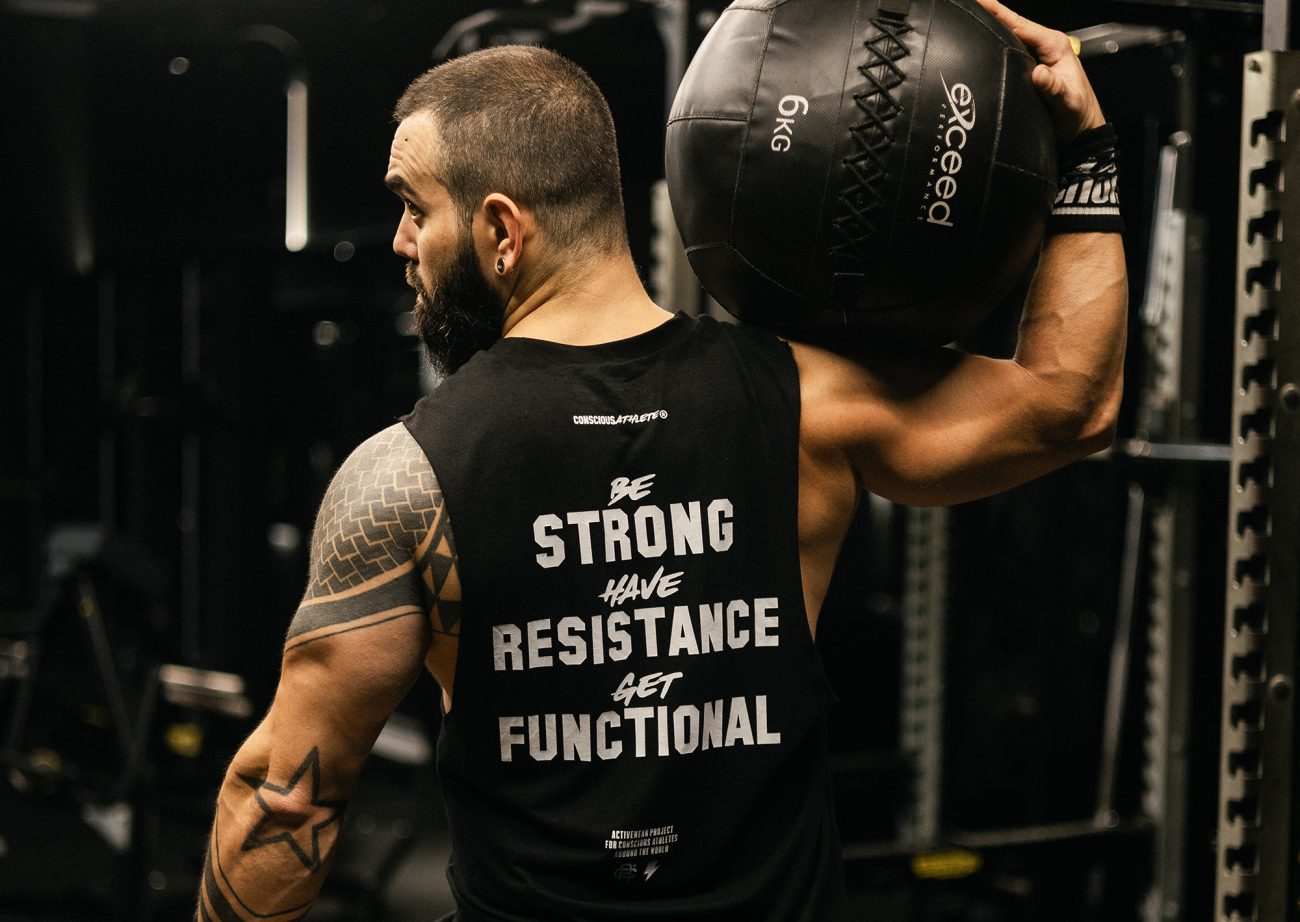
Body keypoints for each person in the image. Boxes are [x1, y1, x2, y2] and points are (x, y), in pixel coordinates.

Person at [194, 1, 1126, 919]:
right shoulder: (809, 404)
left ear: (502, 232)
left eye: (414, 208)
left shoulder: (406, 478)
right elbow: (1071, 403)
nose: (401, 243)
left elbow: (288, 797)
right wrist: (1084, 149)